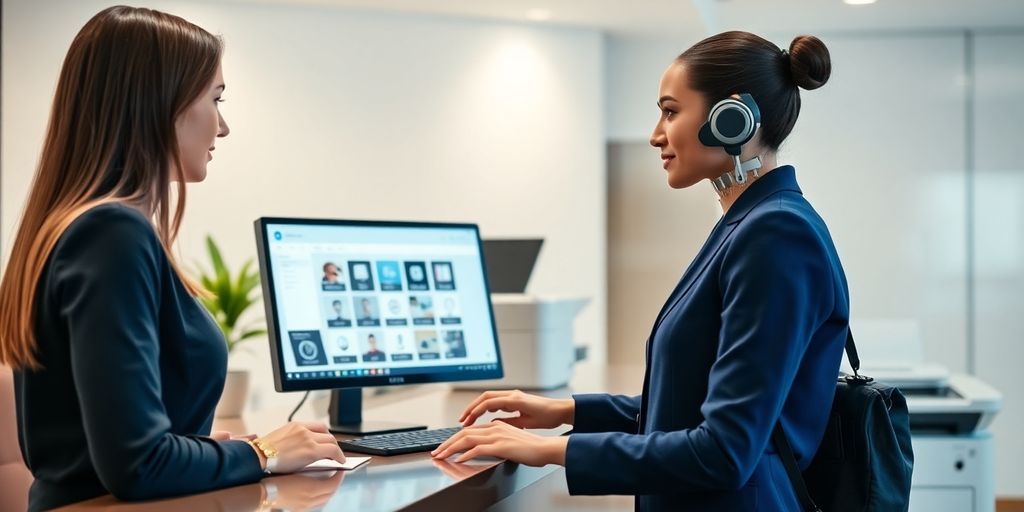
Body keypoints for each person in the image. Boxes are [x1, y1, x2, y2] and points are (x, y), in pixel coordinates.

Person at [432, 31, 848, 512]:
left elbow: (724, 451)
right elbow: (687, 404)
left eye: (670, 111)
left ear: (731, 118)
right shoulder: (752, 224)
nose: (655, 134)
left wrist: (551, 450)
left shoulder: (775, 234)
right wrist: (565, 411)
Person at [0, 7, 344, 511]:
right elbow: (138, 464)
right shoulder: (111, 233)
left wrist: (204, 452)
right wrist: (264, 452)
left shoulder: (90, 227)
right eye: (215, 98)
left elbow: (110, 450)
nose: (223, 127)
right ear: (161, 103)